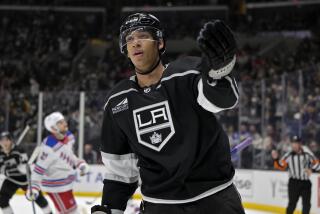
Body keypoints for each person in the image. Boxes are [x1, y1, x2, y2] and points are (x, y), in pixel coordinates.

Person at [92, 13, 244, 214]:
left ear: (160, 43)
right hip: (160, 206)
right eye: (129, 39)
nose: (135, 43)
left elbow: (222, 101)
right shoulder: (117, 101)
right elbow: (120, 171)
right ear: (125, 50)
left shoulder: (187, 72)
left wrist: (218, 74)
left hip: (215, 201)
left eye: (142, 36)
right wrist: (110, 208)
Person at [26, 112, 89, 214]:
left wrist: (79, 163)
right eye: (60, 122)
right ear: (53, 128)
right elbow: (38, 170)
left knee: (69, 211)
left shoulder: (69, 137)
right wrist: (33, 187)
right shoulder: (48, 147)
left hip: (66, 183)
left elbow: (70, 155)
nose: (65, 123)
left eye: (63, 120)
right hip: (56, 187)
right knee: (70, 212)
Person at [0, 131, 52, 214]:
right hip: (11, 180)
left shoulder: (19, 150)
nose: (4, 143)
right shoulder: (1, 154)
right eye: (1, 141)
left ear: (11, 141)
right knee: (2, 199)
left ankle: (49, 213)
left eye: (6, 140)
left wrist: (9, 167)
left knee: (37, 197)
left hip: (25, 179)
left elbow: (24, 168)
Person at [272, 136, 320, 214]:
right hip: (293, 183)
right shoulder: (289, 154)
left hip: (305, 183)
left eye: (296, 143)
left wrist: (312, 170)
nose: (294, 145)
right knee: (292, 205)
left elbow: (317, 165)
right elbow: (281, 166)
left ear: (300, 144)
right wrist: (276, 159)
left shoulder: (307, 153)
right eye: (293, 143)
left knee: (306, 206)